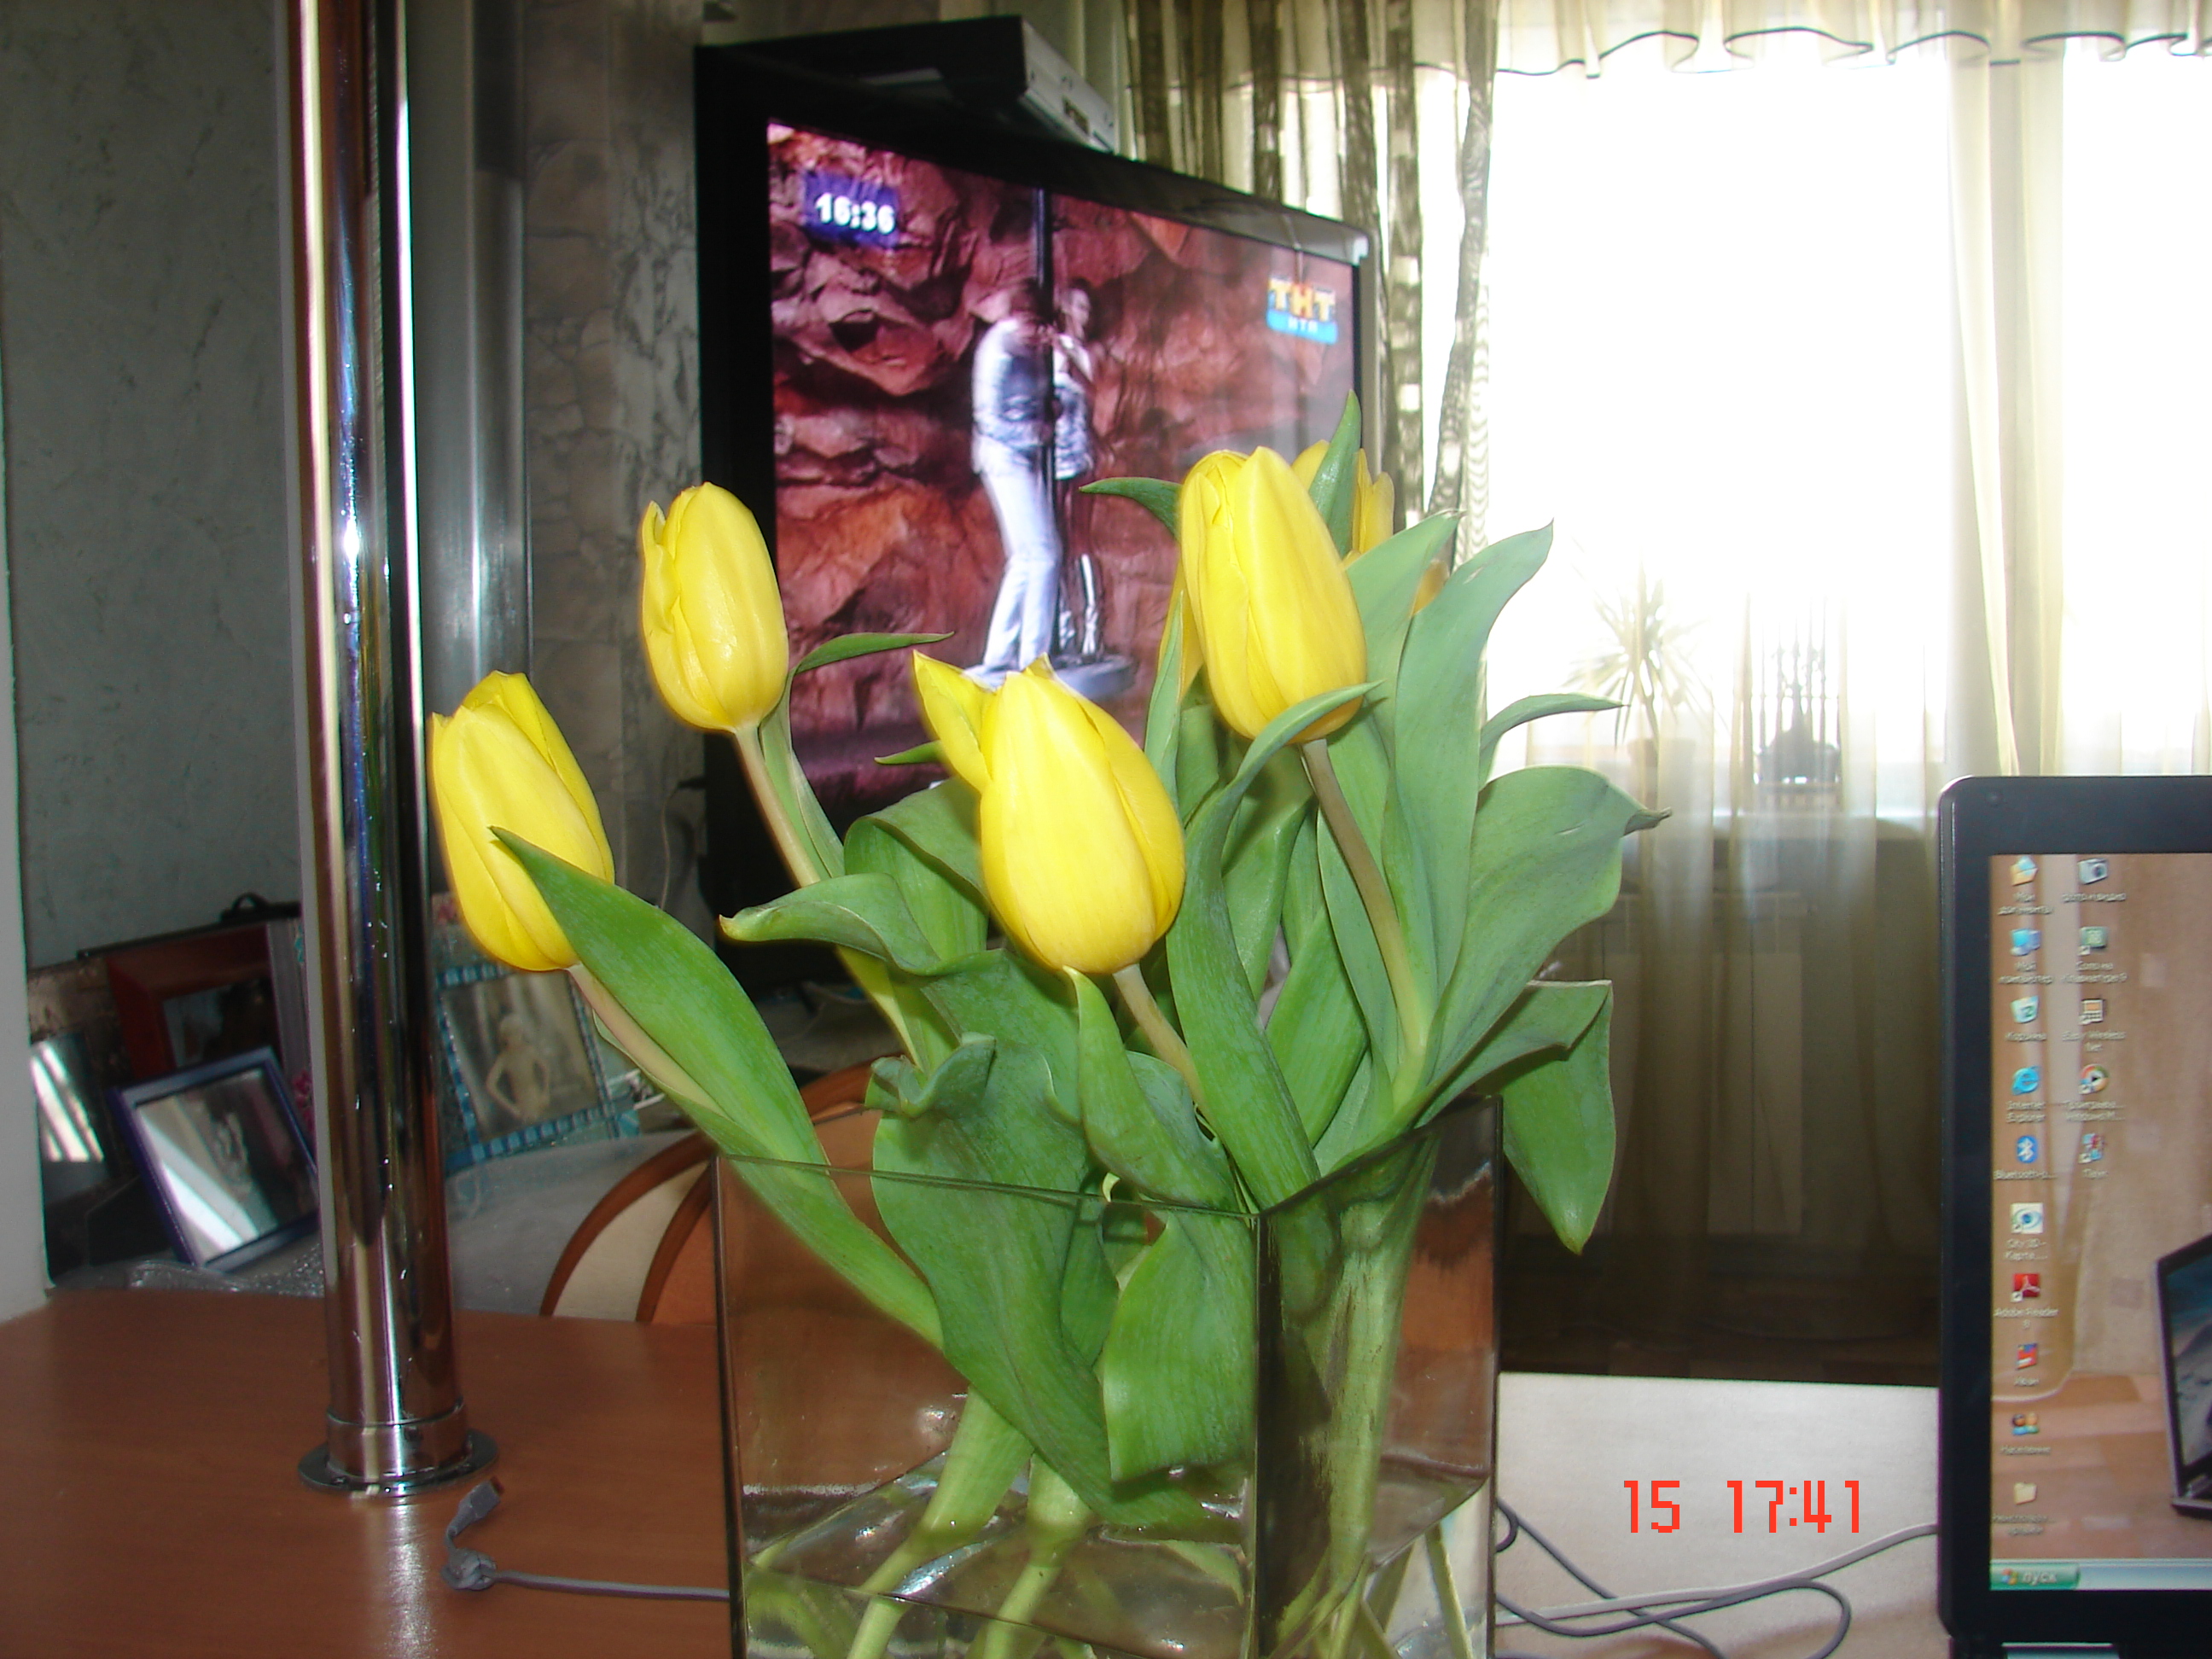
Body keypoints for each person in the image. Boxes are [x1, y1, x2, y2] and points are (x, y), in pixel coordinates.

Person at [969, 288, 1060, 686]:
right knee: (1044, 555)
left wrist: (1050, 413)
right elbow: (987, 417)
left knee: (1025, 558)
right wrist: (1033, 434)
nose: (1037, 334)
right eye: (1032, 325)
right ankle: (1033, 658)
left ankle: (999, 654)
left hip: (1025, 457)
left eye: (1042, 326)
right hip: (1003, 458)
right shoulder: (998, 349)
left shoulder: (1033, 350)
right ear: (1017, 317)